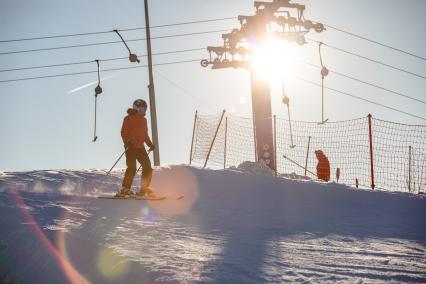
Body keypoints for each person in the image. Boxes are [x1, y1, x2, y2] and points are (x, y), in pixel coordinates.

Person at [118, 99, 156, 197]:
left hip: (140, 148)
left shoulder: (144, 120)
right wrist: (127, 142)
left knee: (147, 167)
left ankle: (144, 188)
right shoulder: (129, 118)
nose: (143, 112)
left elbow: (145, 135)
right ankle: (125, 189)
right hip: (130, 147)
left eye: (144, 110)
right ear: (136, 108)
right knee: (132, 168)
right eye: (141, 109)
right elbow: (123, 132)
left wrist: (150, 144)